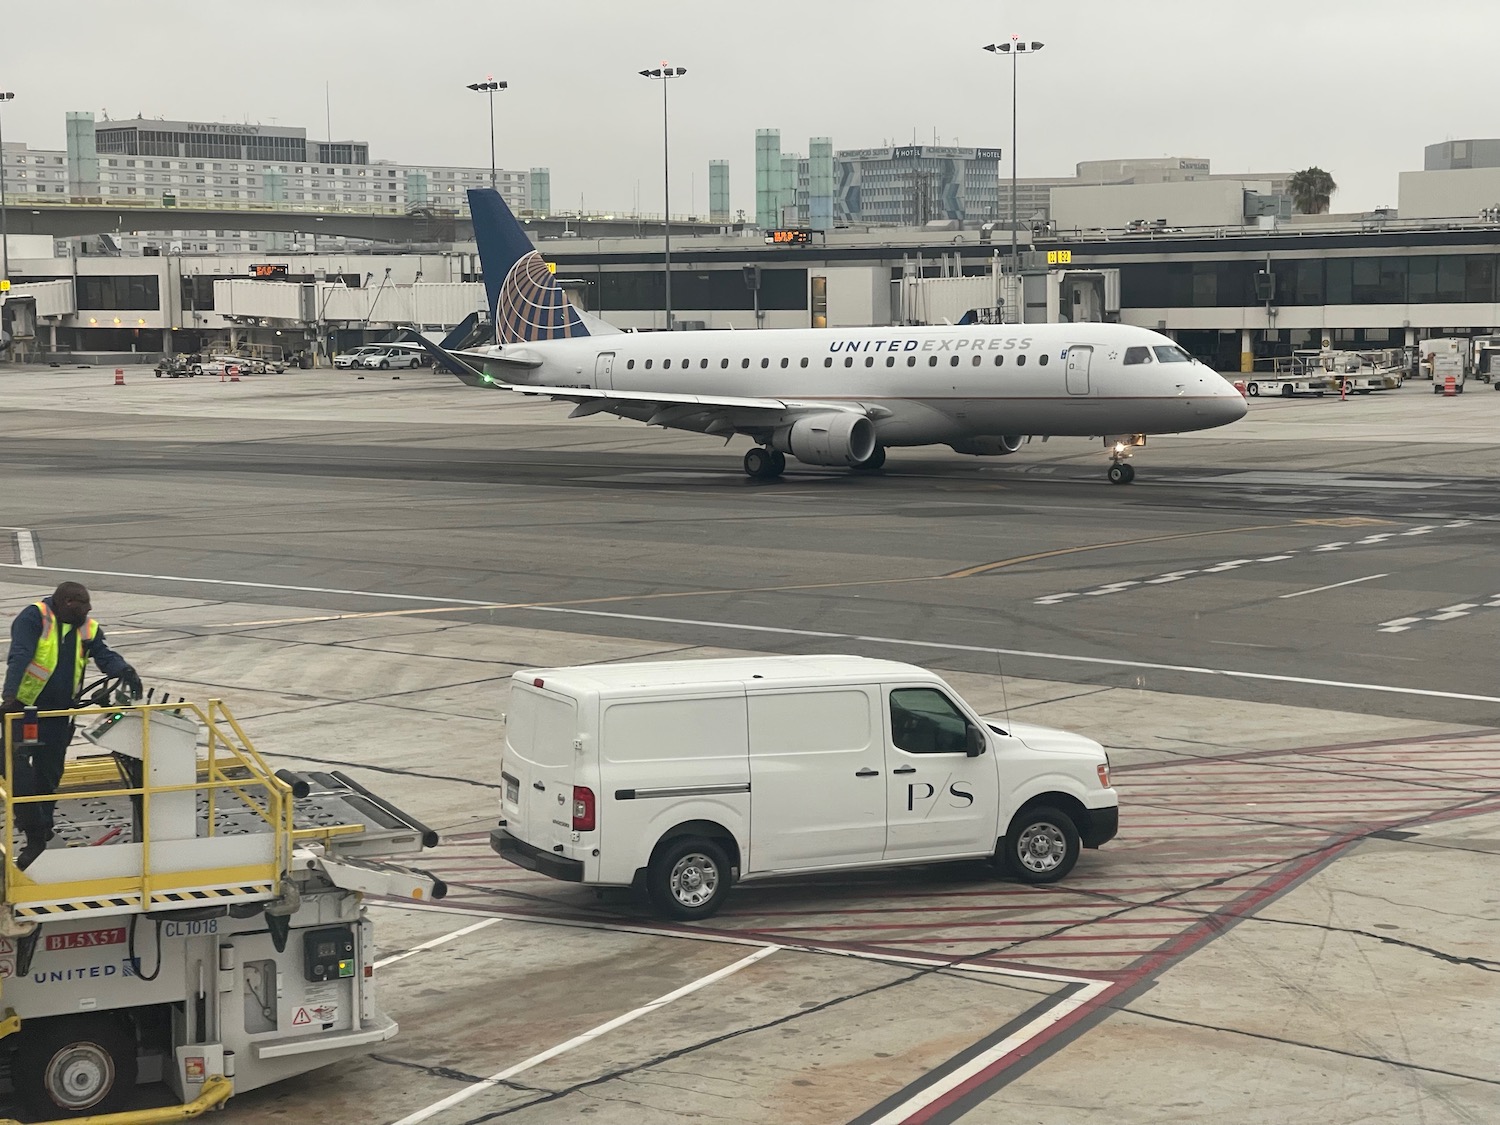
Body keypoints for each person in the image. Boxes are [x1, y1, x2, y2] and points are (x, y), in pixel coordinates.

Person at [1, 583, 141, 869]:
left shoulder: (86, 628)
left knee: (49, 774)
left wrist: (124, 670)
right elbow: (20, 656)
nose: (89, 609)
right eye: (84, 603)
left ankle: (43, 831)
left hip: (59, 713)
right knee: (16, 768)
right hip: (25, 712)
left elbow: (104, 655)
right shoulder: (34, 618)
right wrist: (10, 697)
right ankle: (33, 829)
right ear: (67, 603)